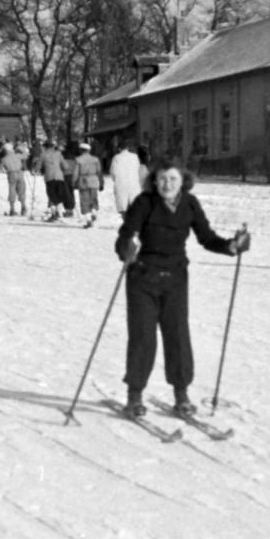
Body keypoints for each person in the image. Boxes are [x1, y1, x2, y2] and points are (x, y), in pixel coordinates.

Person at [114, 156, 250, 418]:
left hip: (175, 279)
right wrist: (126, 249)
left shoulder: (189, 204)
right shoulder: (145, 203)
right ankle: (134, 397)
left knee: (177, 337)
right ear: (154, 180)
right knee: (143, 338)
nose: (167, 184)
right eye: (162, 178)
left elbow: (206, 237)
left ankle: (181, 395)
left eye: (173, 179)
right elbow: (126, 234)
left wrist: (231, 246)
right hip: (143, 279)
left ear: (183, 180)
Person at [71, 141, 103, 228]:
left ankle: (89, 220)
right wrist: (101, 182)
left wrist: (73, 183)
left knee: (85, 201)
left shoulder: (78, 159)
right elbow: (99, 172)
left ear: (81, 150)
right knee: (94, 199)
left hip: (83, 182)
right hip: (94, 181)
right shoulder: (95, 159)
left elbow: (75, 173)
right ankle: (94, 213)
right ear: (89, 150)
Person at [35, 139, 67, 221]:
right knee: (59, 195)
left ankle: (53, 215)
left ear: (45, 147)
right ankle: (58, 212)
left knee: (51, 196)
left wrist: (36, 170)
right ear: (53, 147)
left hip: (49, 178)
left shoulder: (43, 155)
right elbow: (65, 166)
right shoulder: (58, 154)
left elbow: (37, 168)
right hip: (59, 177)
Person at [110, 136, 142, 215]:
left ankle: (127, 222)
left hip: (121, 183)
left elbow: (113, 172)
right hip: (133, 182)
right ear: (127, 148)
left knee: (123, 207)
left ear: (119, 149)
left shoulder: (116, 158)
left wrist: (115, 179)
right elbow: (139, 169)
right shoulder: (135, 157)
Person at [0, 142, 27, 216]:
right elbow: (25, 156)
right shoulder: (17, 156)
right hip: (20, 173)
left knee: (12, 191)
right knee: (21, 190)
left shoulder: (4, 159)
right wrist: (20, 148)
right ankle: (23, 207)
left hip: (11, 174)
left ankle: (12, 209)